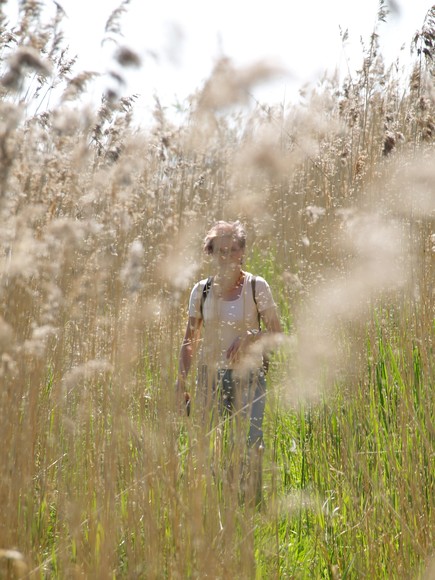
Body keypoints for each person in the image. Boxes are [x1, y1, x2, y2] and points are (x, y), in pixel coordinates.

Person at [176, 220, 282, 455]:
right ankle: (219, 491)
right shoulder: (201, 291)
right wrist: (181, 381)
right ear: (211, 253)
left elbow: (278, 334)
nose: (228, 256)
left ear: (242, 251)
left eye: (234, 249)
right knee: (212, 451)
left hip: (250, 377)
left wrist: (251, 338)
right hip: (209, 378)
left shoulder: (256, 286)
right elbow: (189, 341)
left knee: (251, 446)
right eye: (221, 251)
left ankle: (252, 492)